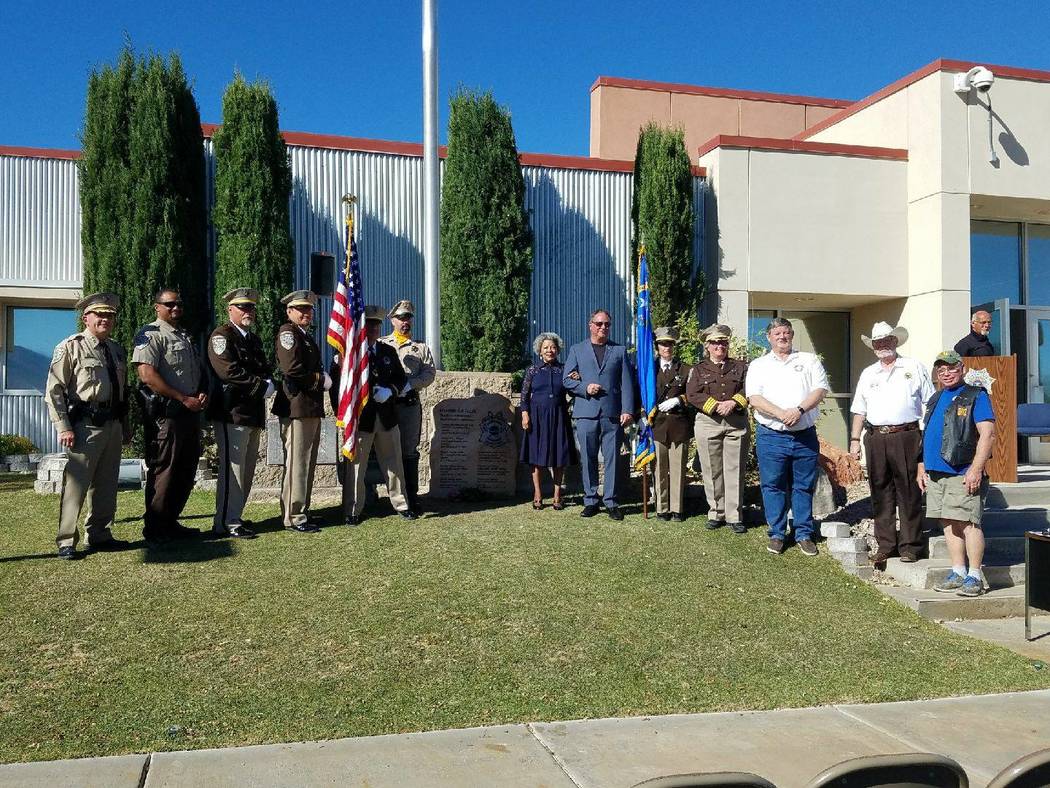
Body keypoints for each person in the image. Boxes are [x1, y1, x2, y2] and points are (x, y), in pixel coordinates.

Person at [44, 293, 130, 559]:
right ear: (86, 318)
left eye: (110, 315)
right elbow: (54, 390)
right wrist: (64, 427)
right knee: (76, 484)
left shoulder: (116, 350)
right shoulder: (71, 347)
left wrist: (125, 426)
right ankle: (66, 540)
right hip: (85, 426)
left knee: (107, 484)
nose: (105, 319)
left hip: (112, 424)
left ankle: (100, 534)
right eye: (99, 314)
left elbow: (123, 392)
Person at [848, 321, 934, 565]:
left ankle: (910, 546)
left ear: (895, 341)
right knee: (880, 491)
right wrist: (854, 440)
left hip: (907, 435)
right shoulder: (868, 373)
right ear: (873, 346)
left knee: (909, 491)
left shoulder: (914, 366)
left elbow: (929, 403)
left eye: (886, 340)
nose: (882, 345)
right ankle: (886, 545)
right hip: (876, 437)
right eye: (878, 342)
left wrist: (927, 437)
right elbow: (859, 409)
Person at [745, 317, 830, 556]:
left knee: (804, 486)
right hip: (771, 436)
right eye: (777, 333)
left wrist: (799, 410)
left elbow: (820, 390)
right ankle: (777, 533)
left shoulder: (809, 360)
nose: (782, 337)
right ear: (769, 337)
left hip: (804, 436)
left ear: (792, 335)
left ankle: (804, 533)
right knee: (773, 485)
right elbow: (754, 398)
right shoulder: (759, 365)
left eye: (786, 332)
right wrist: (781, 413)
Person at [133, 288, 207, 545]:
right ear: (157, 307)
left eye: (179, 304)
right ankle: (155, 528)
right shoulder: (150, 334)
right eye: (169, 304)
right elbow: (147, 375)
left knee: (185, 469)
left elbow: (194, 371)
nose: (176, 308)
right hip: (167, 414)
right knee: (165, 469)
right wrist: (182, 398)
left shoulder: (184, 336)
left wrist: (200, 393)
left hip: (189, 413)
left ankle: (170, 522)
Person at [920, 350, 996, 597]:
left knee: (968, 523)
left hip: (962, 471)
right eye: (941, 369)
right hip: (936, 472)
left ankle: (974, 576)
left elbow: (987, 434)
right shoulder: (936, 397)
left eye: (951, 368)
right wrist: (922, 465)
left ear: (962, 369)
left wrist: (976, 468)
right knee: (948, 522)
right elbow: (927, 433)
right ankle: (958, 571)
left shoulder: (976, 395)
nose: (946, 373)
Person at [336, 305, 415, 526]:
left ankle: (401, 504)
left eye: (376, 325)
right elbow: (341, 387)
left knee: (394, 463)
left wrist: (391, 391)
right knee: (356, 466)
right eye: (369, 325)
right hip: (362, 418)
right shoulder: (352, 353)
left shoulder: (387, 351)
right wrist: (342, 416)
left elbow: (401, 379)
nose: (373, 329)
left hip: (387, 416)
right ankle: (353, 509)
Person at [206, 288, 274, 540]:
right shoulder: (222, 336)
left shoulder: (252, 340)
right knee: (232, 470)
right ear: (230, 310)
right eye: (243, 307)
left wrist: (269, 380)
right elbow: (228, 371)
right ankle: (226, 522)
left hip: (252, 413)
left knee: (246, 470)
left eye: (251, 308)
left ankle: (235, 516)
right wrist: (261, 386)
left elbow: (263, 367)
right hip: (231, 413)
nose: (248, 312)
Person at [563, 309, 635, 520]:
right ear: (590, 325)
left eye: (607, 324)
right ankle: (591, 500)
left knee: (613, 459)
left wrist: (627, 409)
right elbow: (566, 380)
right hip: (586, 413)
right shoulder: (577, 350)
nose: (603, 327)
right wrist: (584, 387)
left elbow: (627, 383)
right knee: (588, 458)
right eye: (599, 323)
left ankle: (611, 501)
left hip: (612, 414)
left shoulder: (619, 351)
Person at [272, 289, 330, 533]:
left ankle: (300, 510)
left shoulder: (304, 335)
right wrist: (320, 379)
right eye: (301, 309)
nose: (306, 312)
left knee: (306, 462)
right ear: (289, 311)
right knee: (298, 463)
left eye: (309, 309)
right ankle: (294, 515)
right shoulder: (288, 333)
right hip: (297, 406)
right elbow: (292, 368)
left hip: (308, 407)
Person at [686, 324, 750, 533]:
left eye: (723, 342)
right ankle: (716, 512)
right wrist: (715, 406)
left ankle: (734, 515)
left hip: (735, 423)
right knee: (711, 469)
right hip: (708, 422)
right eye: (715, 343)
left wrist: (733, 402)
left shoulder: (741, 367)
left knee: (735, 469)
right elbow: (692, 394)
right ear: (707, 346)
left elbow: (749, 388)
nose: (719, 346)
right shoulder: (698, 369)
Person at [379, 299, 436, 514]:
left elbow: (429, 373)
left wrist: (411, 385)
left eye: (408, 318)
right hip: (386, 405)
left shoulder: (420, 347)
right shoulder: (383, 345)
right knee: (384, 450)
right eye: (401, 318)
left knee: (409, 451)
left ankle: (411, 498)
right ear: (392, 320)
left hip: (409, 406)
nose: (405, 322)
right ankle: (388, 497)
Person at [519, 332, 578, 510]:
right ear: (540, 350)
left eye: (553, 347)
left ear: (558, 350)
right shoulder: (532, 370)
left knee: (559, 457)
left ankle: (557, 496)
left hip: (559, 416)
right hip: (536, 418)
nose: (549, 350)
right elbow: (524, 395)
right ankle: (537, 494)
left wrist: (576, 379)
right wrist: (525, 414)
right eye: (545, 347)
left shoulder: (565, 370)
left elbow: (573, 392)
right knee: (536, 457)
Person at [650, 327, 692, 522]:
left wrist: (679, 400)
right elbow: (641, 393)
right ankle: (662, 507)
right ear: (657, 346)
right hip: (657, 424)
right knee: (659, 468)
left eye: (670, 344)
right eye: (662, 344)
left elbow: (693, 394)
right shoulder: (649, 369)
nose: (666, 347)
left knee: (678, 468)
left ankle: (677, 508)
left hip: (678, 424)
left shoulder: (685, 369)